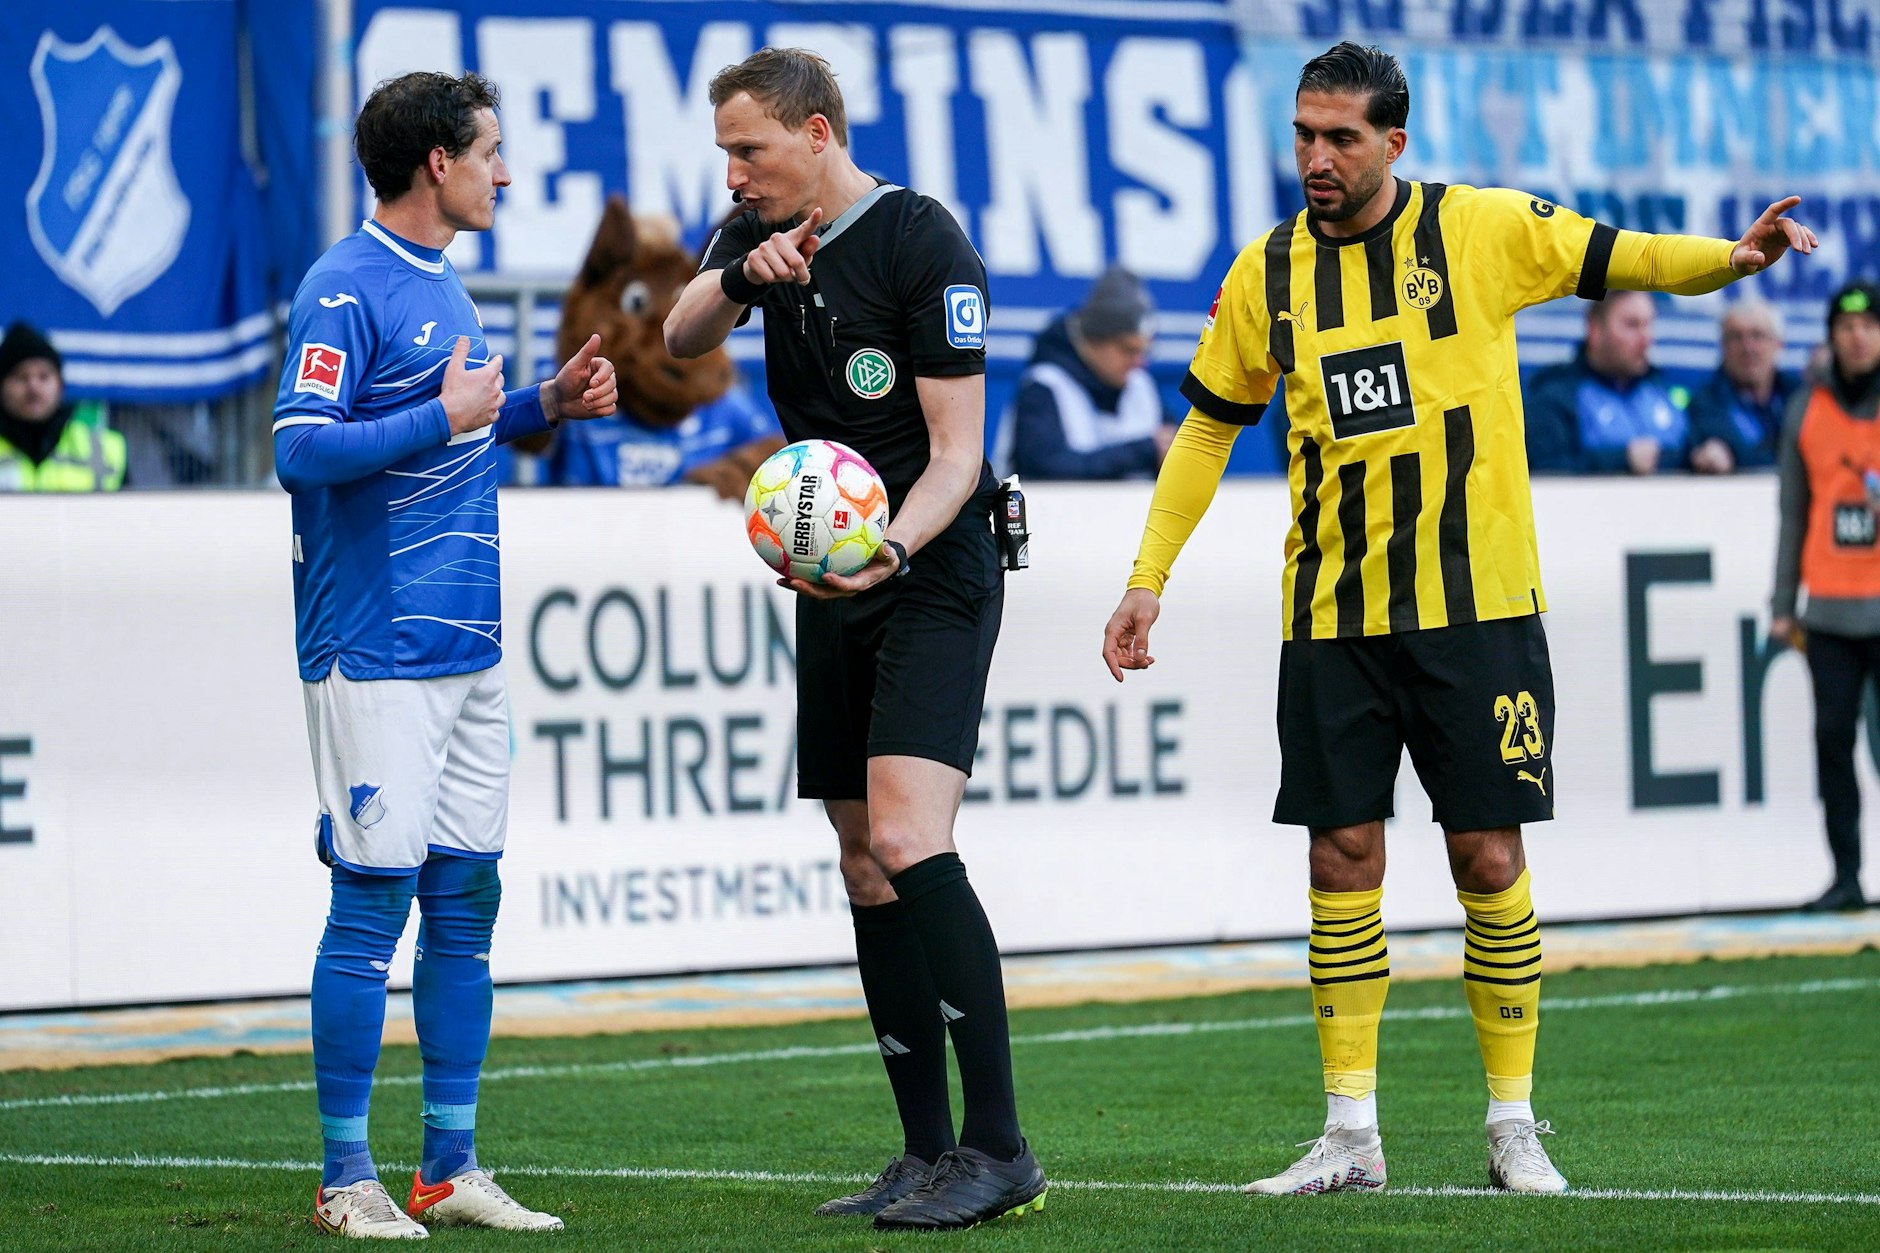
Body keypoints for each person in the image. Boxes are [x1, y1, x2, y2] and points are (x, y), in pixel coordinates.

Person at [1100, 41, 1814, 1197]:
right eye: (1301, 134)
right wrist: (1148, 574)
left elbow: (1612, 252)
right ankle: (1347, 1132)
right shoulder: (1269, 269)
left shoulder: (1474, 229)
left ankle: (1511, 1121)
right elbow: (1205, 428)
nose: (1315, 159)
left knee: (1485, 853)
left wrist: (1731, 261)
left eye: (1338, 137)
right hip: (1330, 608)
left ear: (1393, 140)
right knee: (1341, 853)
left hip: (1474, 606)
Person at [664, 47, 1047, 1231]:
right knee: (857, 851)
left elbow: (952, 457)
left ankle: (1000, 1148)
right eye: (724, 151)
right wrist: (740, 280)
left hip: (927, 562)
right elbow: (677, 337)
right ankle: (924, 1153)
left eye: (750, 150)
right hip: (833, 572)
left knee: (904, 830)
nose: (732, 172)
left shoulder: (923, 242)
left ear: (817, 134)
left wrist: (886, 551)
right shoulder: (753, 233)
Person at [273, 71, 617, 1238]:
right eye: (490, 152)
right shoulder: (343, 285)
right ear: (437, 164)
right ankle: (342, 1175)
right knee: (371, 904)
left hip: (468, 642)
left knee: (465, 899)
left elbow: (456, 425)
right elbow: (298, 451)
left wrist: (542, 403)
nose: (503, 172)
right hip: (375, 643)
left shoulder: (443, 279)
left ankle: (447, 1166)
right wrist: (452, 415)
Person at [1769, 280, 1880, 914]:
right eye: (1845, 327)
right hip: (1831, 610)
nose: (1856, 336)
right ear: (1831, 336)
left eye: (1867, 326)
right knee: (1832, 744)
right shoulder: (1808, 409)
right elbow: (1793, 512)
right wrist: (1784, 604)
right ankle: (1846, 877)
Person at [996, 266, 1175, 479]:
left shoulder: (1140, 384)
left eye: (1144, 351)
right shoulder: (1045, 385)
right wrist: (1144, 451)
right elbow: (1045, 469)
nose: (1139, 362)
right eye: (1128, 349)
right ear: (1094, 340)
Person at [1524, 290, 1693, 475]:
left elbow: (1695, 447)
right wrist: (1621, 460)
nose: (1646, 339)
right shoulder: (1556, 398)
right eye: (1632, 325)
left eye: (1648, 325)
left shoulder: (1663, 390)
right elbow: (1545, 469)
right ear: (1595, 330)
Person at [0, 321, 125, 492]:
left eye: (44, 377)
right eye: (21, 377)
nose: (33, 388)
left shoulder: (105, 450)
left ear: (60, 386)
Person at [1688, 299, 1800, 472]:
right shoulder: (1704, 404)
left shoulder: (1801, 397)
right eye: (1736, 337)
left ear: (1778, 344)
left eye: (1757, 335)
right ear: (1723, 347)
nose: (1748, 347)